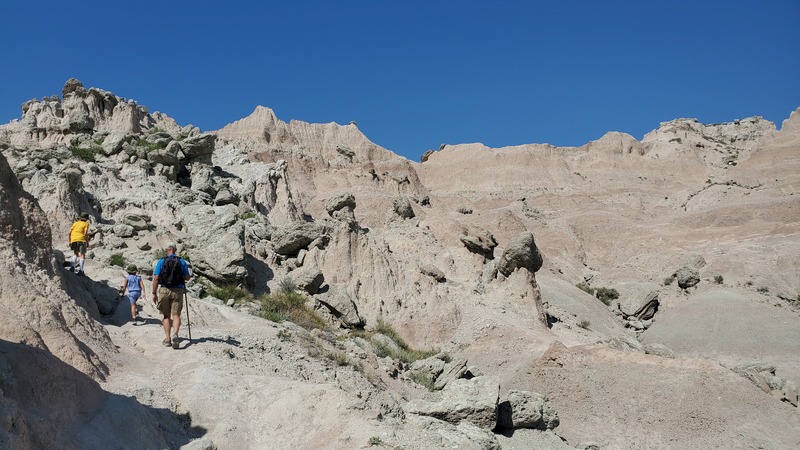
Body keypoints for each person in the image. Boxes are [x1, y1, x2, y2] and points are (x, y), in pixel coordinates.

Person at [152, 243, 191, 349]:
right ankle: (176, 335)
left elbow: (156, 278)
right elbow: (187, 277)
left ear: (168, 250)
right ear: (175, 250)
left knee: (166, 316)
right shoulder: (181, 261)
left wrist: (154, 293)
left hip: (164, 290)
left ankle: (168, 338)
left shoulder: (162, 261)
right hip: (177, 290)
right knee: (176, 315)